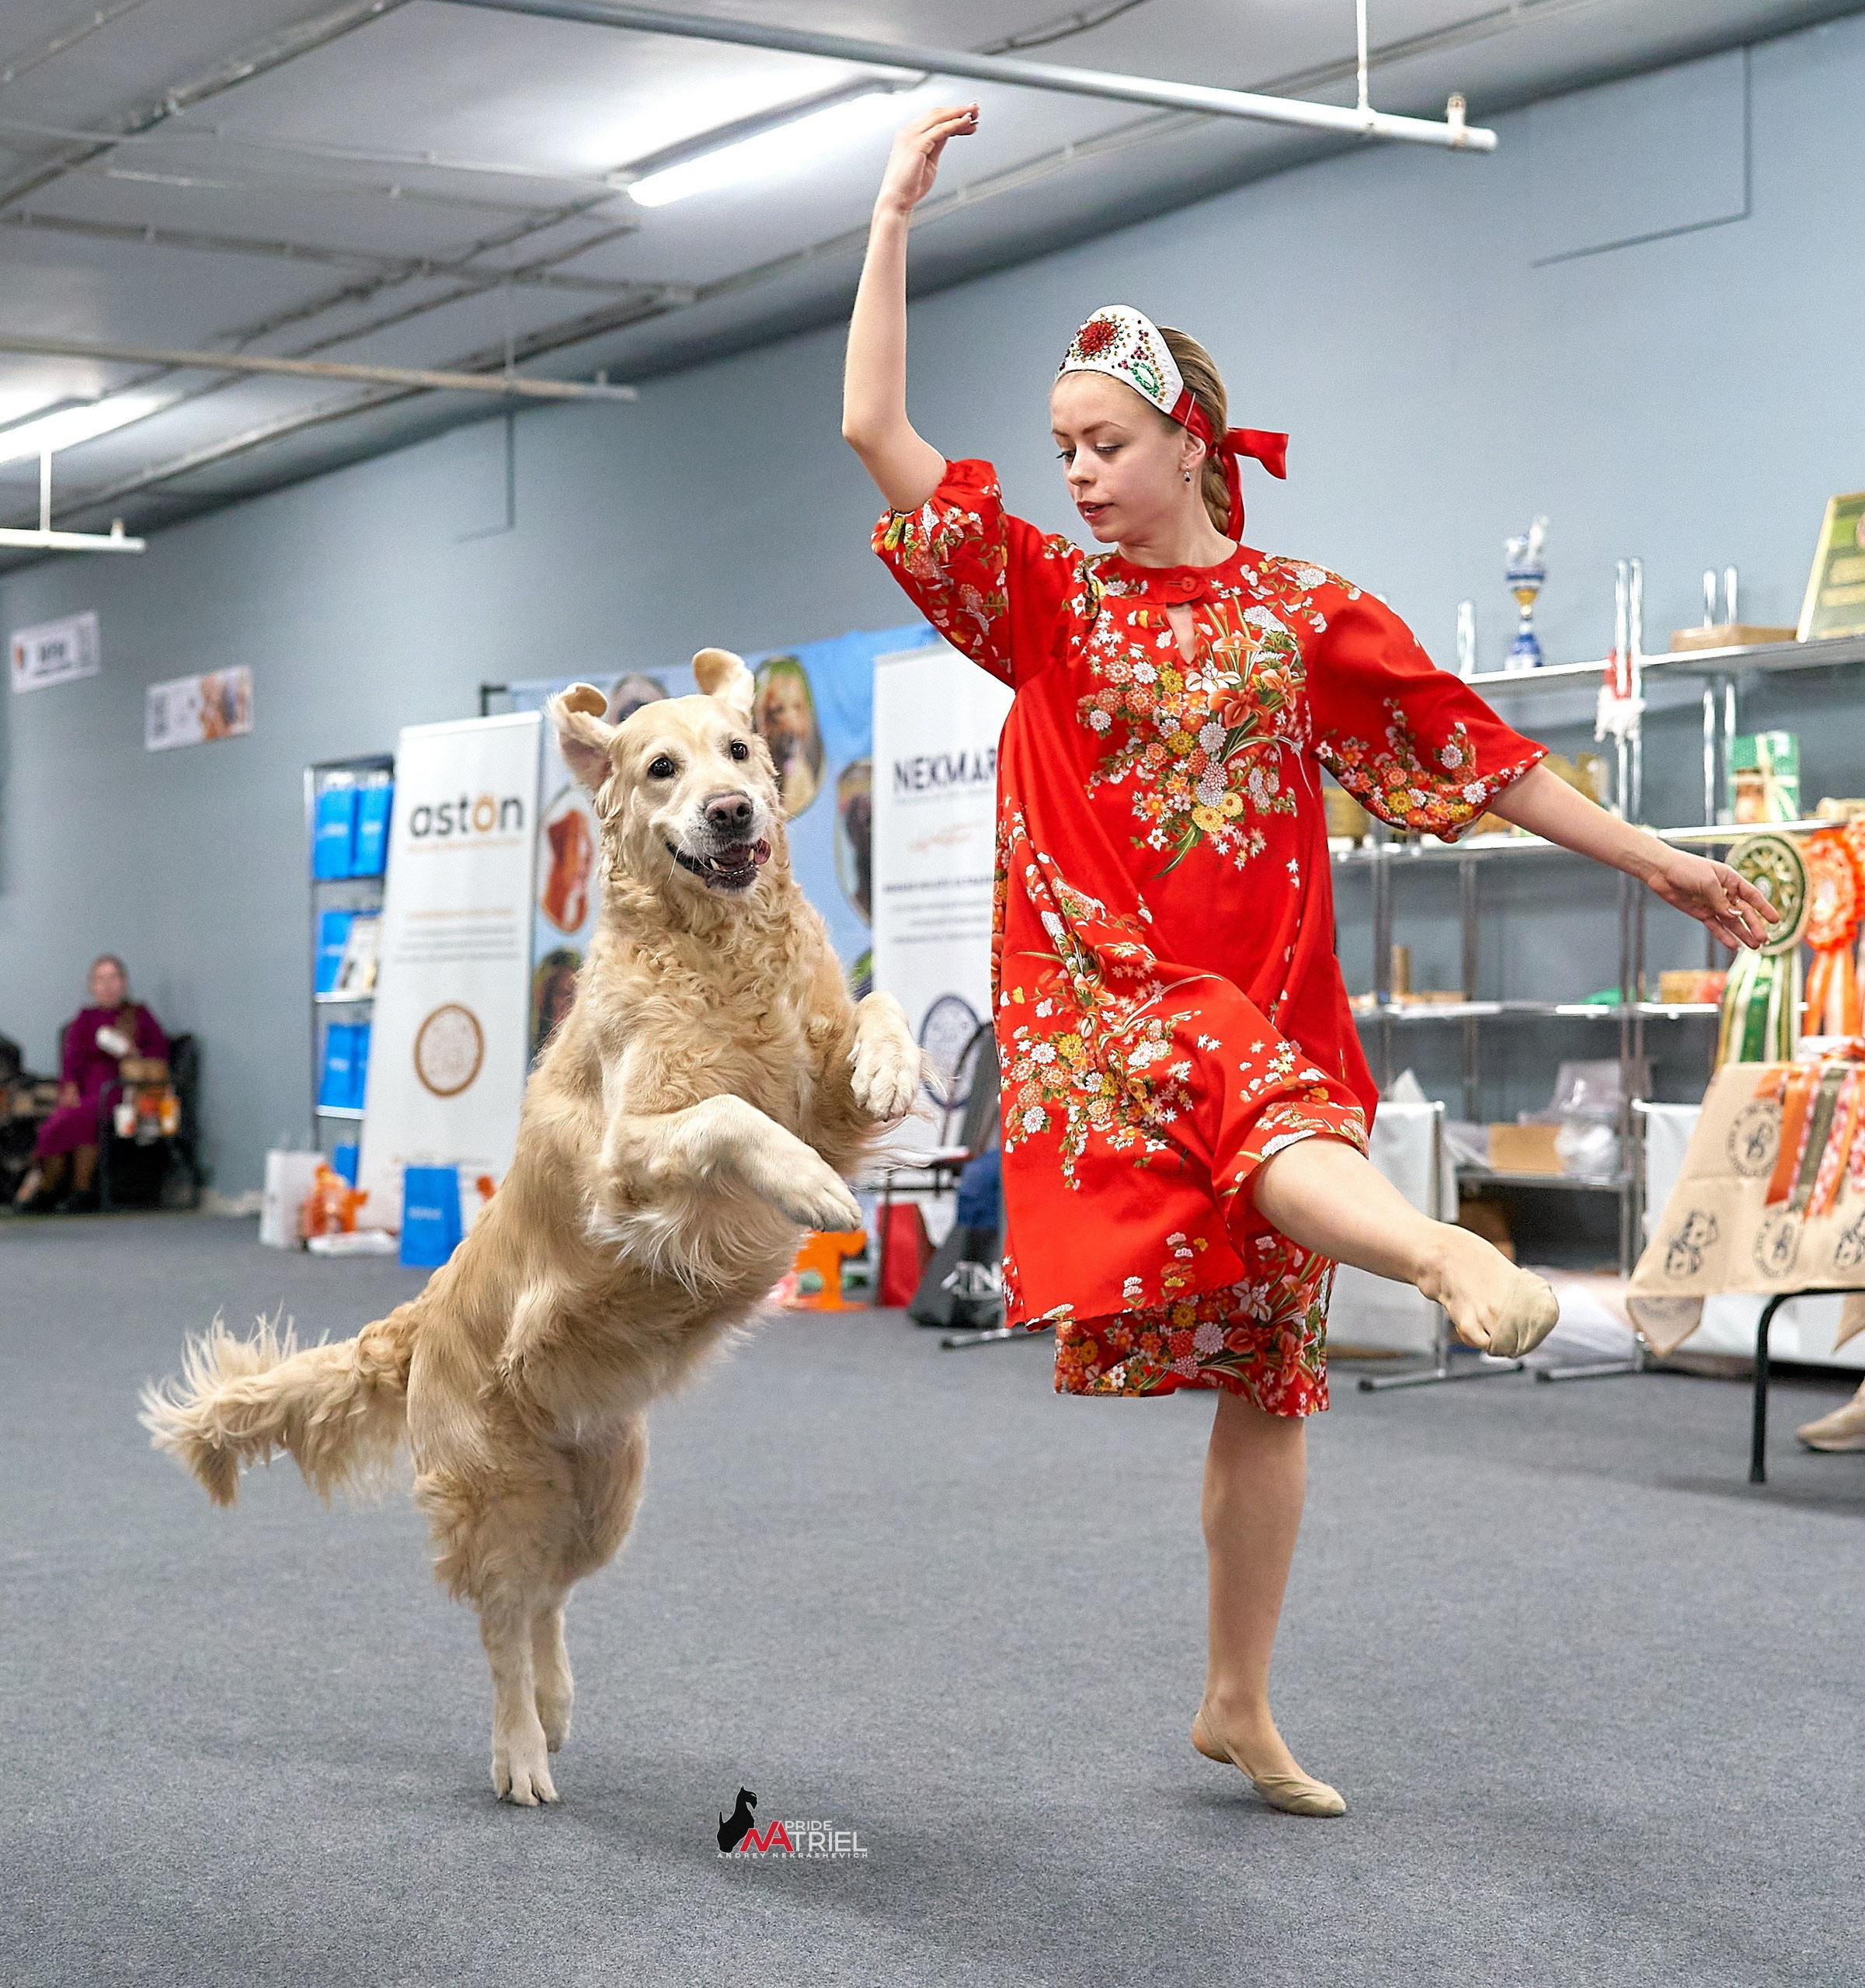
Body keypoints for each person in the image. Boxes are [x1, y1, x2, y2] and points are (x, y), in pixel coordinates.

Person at [844, 103, 1780, 1818]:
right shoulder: (1046, 599)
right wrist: (894, 212)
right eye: (1058, 445)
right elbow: (872, 425)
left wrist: (1658, 859)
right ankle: (1445, 1256)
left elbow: (1475, 747)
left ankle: (1235, 1700)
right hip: (1119, 1002)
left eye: (1105, 441)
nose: (1074, 473)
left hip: (1271, 1012)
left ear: (1193, 442)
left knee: (1271, 1379)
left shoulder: (1298, 614)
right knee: (1259, 1106)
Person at [15, 955, 167, 1215]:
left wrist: (132, 1051)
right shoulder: (84, 1020)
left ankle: (80, 1190)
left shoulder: (140, 1016)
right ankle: (49, 1188)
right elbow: (70, 1063)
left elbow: (159, 1057)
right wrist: (70, 1086)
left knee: (86, 1117)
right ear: (92, 986)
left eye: (113, 979)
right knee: (57, 1123)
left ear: (124, 984)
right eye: (101, 980)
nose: (107, 986)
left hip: (121, 1089)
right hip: (84, 1090)